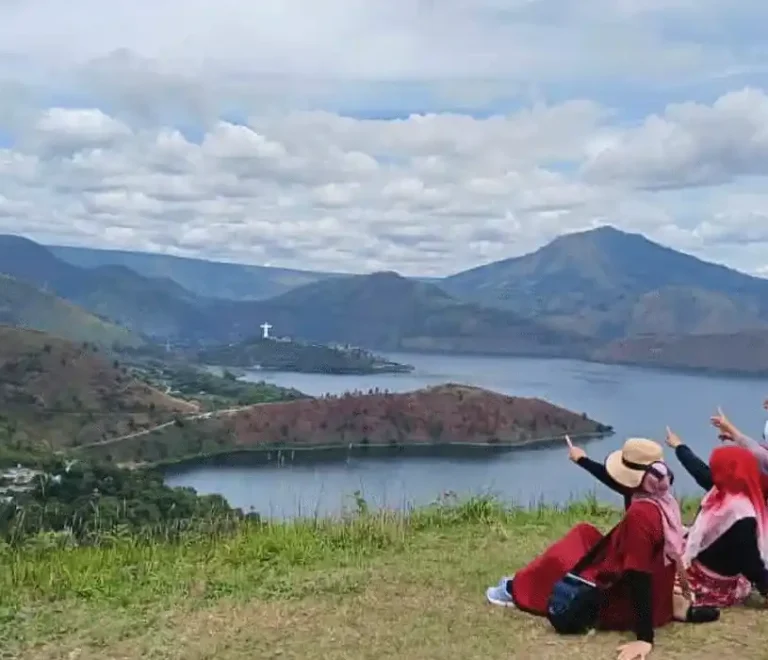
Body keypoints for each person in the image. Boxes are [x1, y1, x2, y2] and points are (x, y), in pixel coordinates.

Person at [488, 440, 719, 660]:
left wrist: (645, 638)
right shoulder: (662, 499)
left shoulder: (640, 516)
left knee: (562, 560)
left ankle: (518, 589)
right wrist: (583, 460)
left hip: (624, 598)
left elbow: (638, 575)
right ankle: (524, 583)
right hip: (658, 590)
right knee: (584, 534)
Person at [677, 445, 768, 607]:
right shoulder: (736, 501)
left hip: (709, 582)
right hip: (714, 570)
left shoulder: (732, 507)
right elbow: (751, 563)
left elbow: (751, 563)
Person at [567, 435, 663, 510]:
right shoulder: (663, 495)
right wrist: (582, 460)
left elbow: (608, 478)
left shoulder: (636, 499)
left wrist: (582, 460)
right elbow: (610, 479)